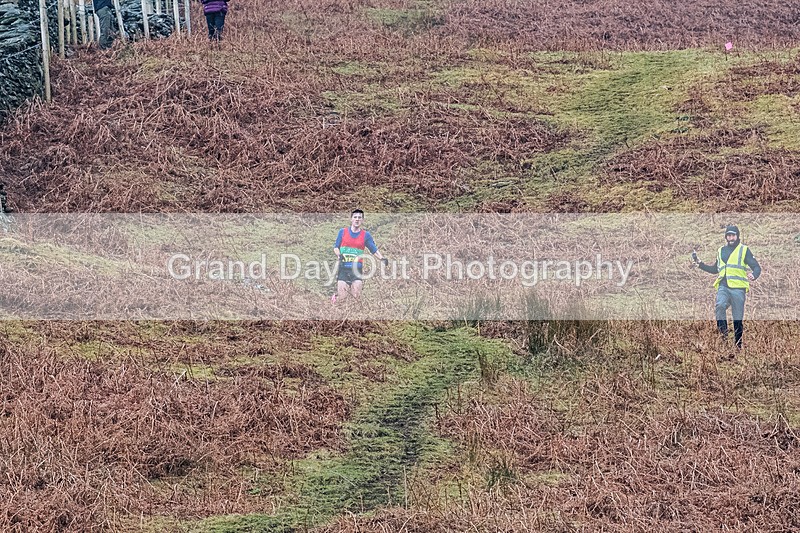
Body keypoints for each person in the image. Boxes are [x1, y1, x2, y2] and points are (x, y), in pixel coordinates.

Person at [692, 225, 761, 350]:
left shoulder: (744, 250)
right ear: (726, 237)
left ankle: (738, 345)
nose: (731, 238)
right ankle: (723, 338)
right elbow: (715, 269)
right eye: (729, 235)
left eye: (733, 235)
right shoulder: (720, 251)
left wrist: (754, 275)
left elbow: (756, 267)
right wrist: (700, 264)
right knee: (720, 306)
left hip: (738, 289)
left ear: (737, 236)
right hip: (723, 287)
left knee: (737, 318)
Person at [333, 209, 388, 302]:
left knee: (356, 299)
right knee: (342, 299)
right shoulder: (342, 232)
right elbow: (336, 247)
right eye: (355, 217)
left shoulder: (366, 235)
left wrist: (382, 258)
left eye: (359, 217)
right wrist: (339, 255)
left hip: (357, 270)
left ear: (362, 220)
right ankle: (335, 299)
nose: (357, 219)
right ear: (351, 219)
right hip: (343, 268)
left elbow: (373, 249)